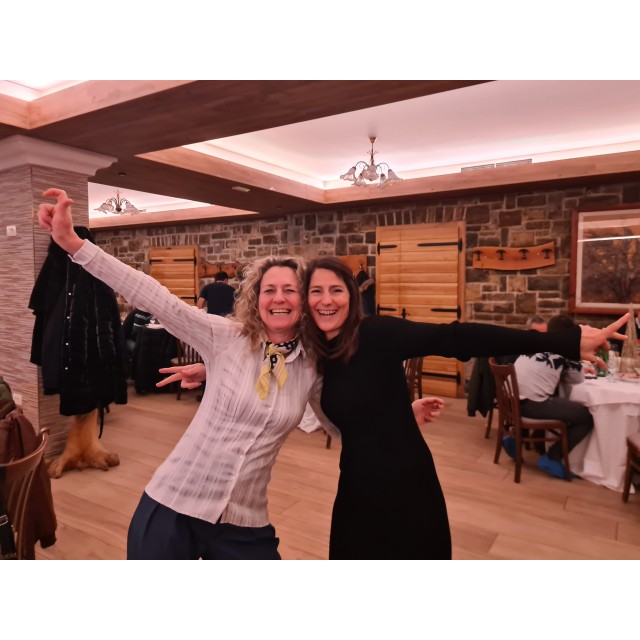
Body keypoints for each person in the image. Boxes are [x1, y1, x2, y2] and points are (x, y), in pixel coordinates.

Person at [37, 188, 439, 560]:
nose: (279, 298)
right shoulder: (224, 338)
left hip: (244, 520)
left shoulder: (311, 367)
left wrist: (399, 418)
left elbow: (337, 422)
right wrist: (73, 244)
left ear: (304, 302)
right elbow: (153, 296)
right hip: (175, 501)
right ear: (256, 299)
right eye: (269, 290)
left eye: (290, 290)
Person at [299, 257, 628, 560]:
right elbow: (357, 406)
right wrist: (400, 414)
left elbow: (456, 337)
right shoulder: (318, 353)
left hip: (404, 486)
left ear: (352, 296)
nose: (327, 300)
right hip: (355, 489)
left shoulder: (375, 333)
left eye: (336, 290)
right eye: (317, 291)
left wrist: (561, 342)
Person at [504, 314, 594, 479]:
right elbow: (577, 380)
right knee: (585, 416)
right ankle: (552, 457)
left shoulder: (535, 342)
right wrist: (577, 361)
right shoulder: (566, 350)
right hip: (530, 405)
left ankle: (514, 438)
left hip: (510, 402)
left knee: (546, 395)